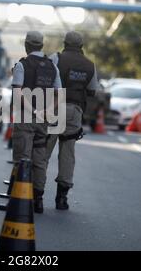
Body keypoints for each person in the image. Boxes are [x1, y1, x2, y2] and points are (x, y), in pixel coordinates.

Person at [45, 31, 99, 210]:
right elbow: (92, 91)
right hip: (75, 111)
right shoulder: (90, 65)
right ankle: (62, 198)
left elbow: (45, 81)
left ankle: (36, 193)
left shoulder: (56, 58)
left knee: (43, 151)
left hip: (54, 108)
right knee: (67, 154)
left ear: (65, 43)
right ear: (81, 46)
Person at [11, 31, 62, 214]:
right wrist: (47, 111)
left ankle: (20, 199)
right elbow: (59, 94)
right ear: (41, 45)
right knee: (40, 159)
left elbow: (18, 93)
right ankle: (38, 199)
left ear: (26, 45)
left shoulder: (22, 65)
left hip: (26, 119)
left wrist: (32, 110)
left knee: (22, 158)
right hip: (43, 121)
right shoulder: (52, 67)